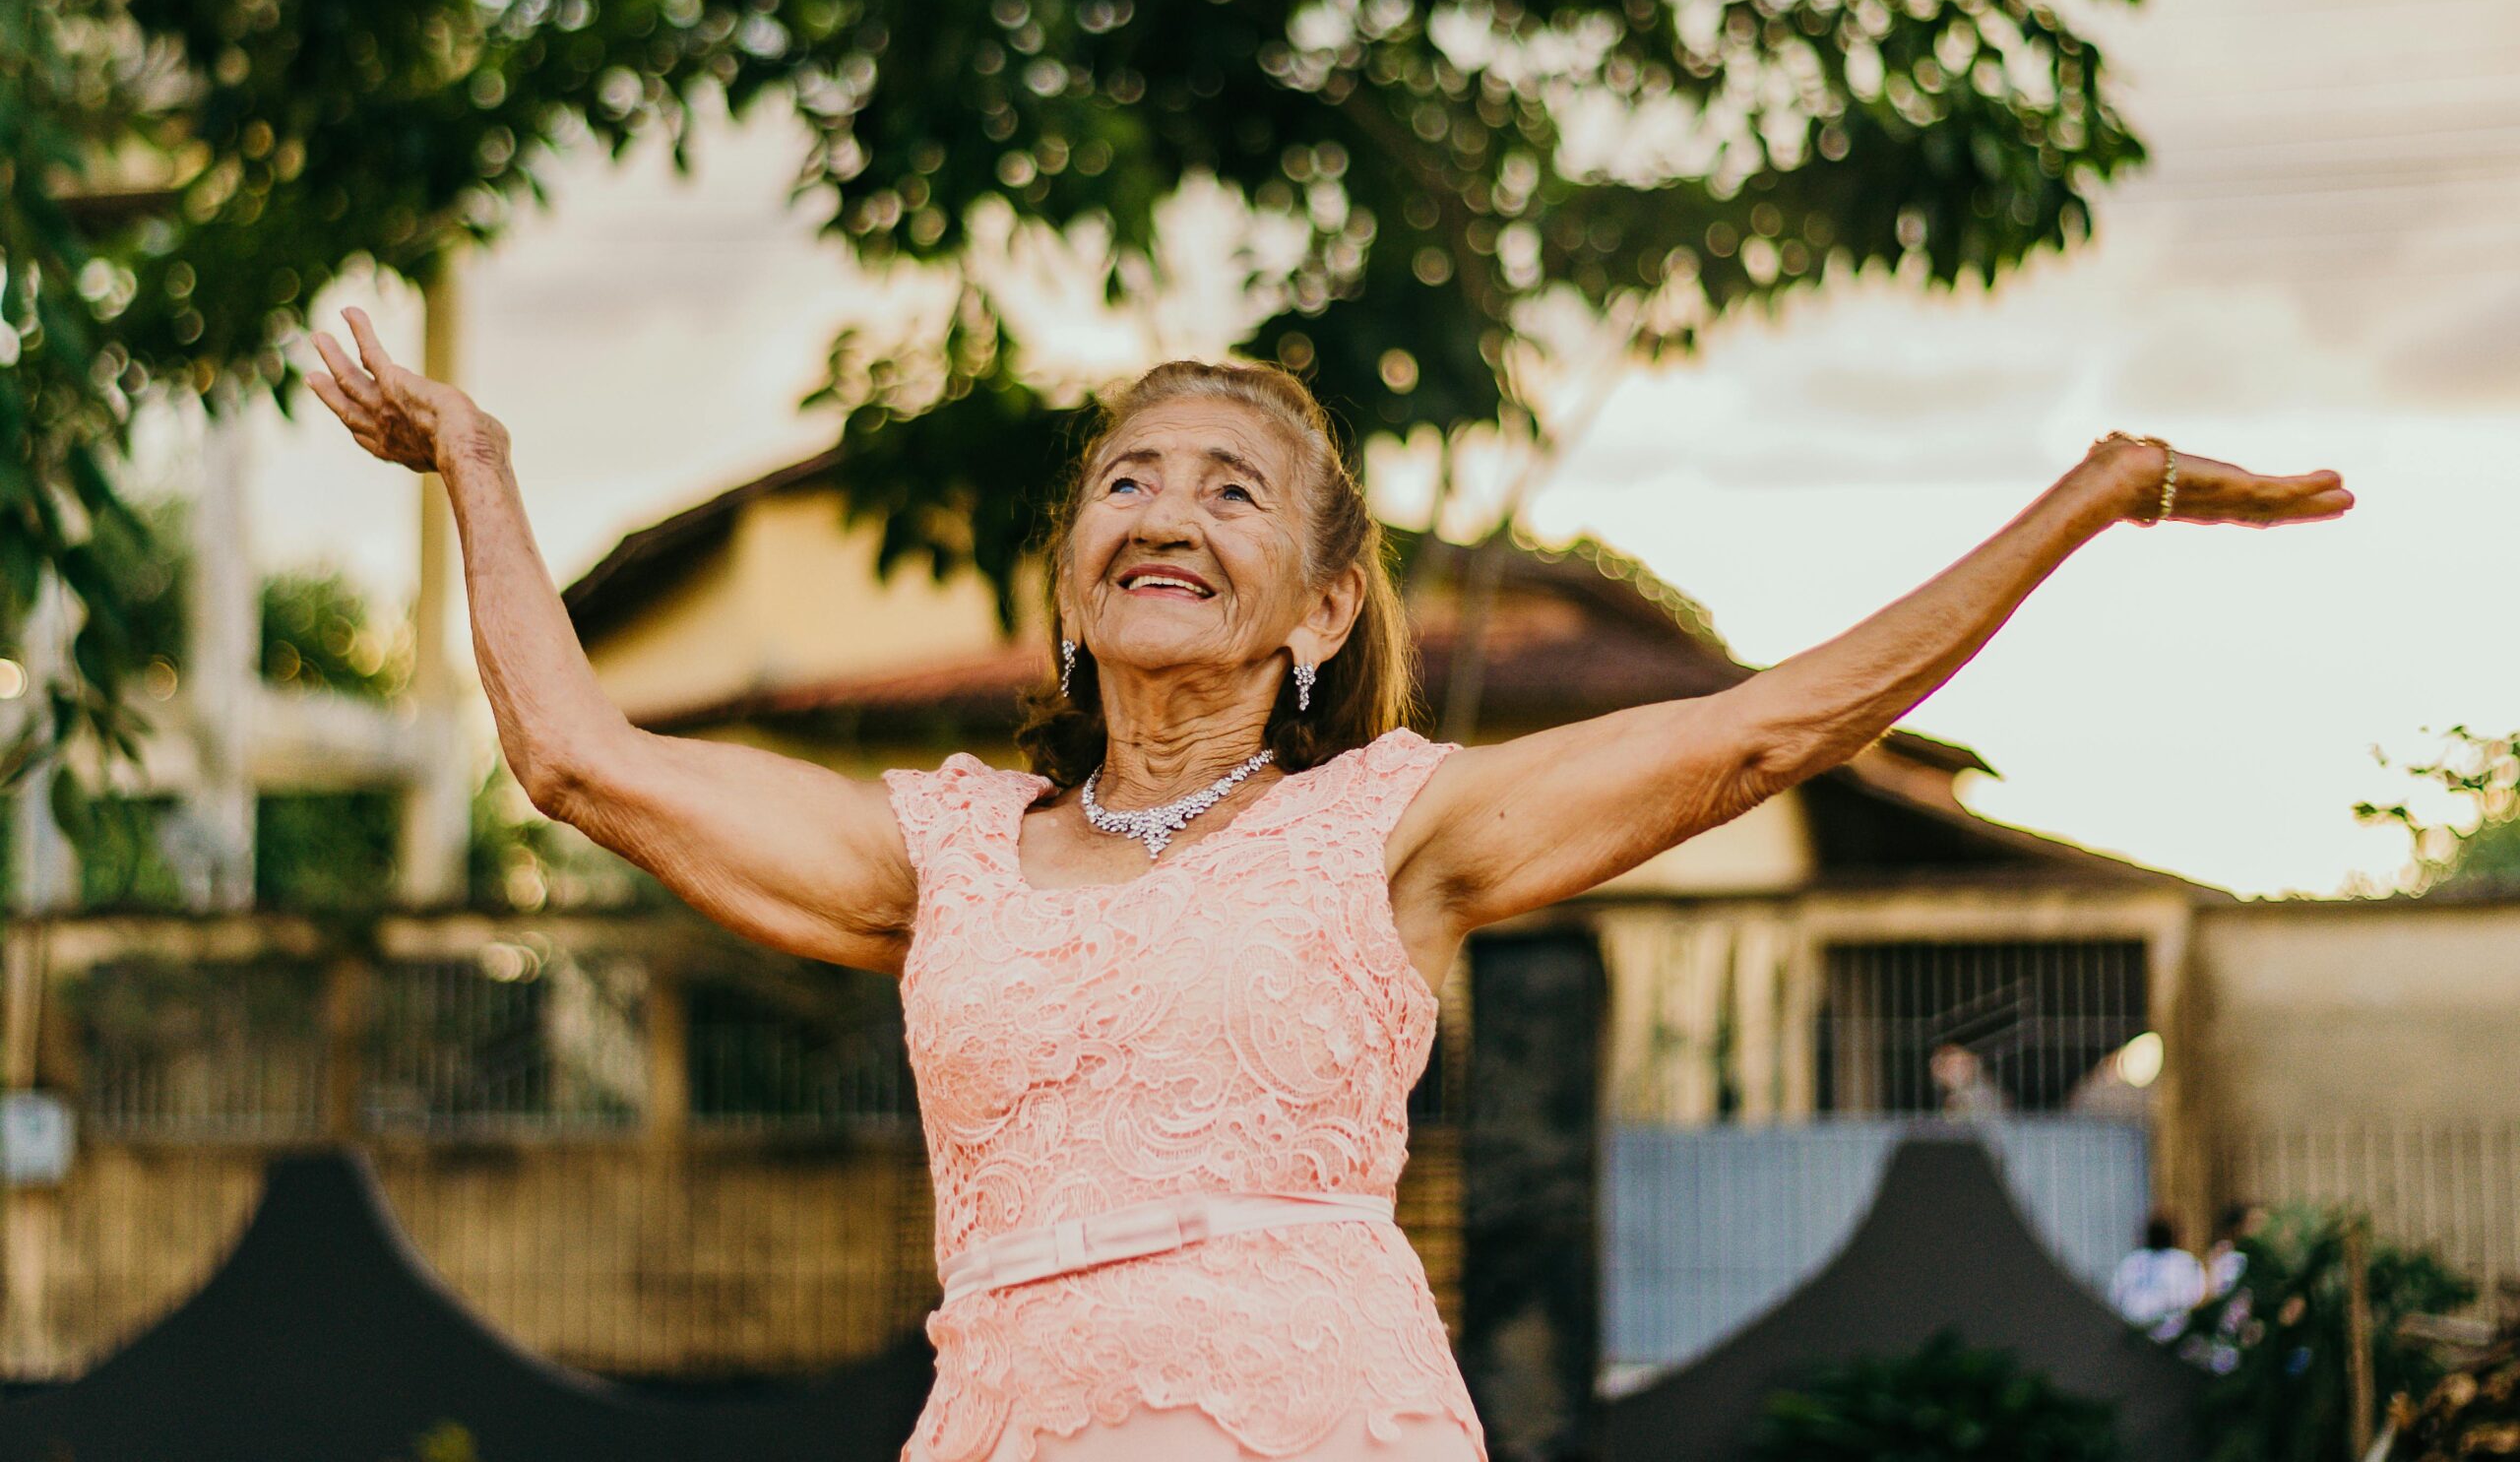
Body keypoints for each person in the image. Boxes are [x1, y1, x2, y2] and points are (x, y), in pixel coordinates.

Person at [301, 306, 2353, 1462]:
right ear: (1067, 574)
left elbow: (1763, 731)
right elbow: (576, 757)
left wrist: (2087, 499)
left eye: (1227, 488)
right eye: (1124, 477)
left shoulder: (1393, 823)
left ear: (1319, 602)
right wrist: (479, 464)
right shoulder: (933, 852)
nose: (1162, 510)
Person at [2111, 1216, 2209, 1342]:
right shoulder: (2187, 1262)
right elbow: (2196, 1298)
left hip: (2136, 1335)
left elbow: (2115, 1299)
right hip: (2172, 1337)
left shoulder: (2131, 1262)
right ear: (2174, 1236)